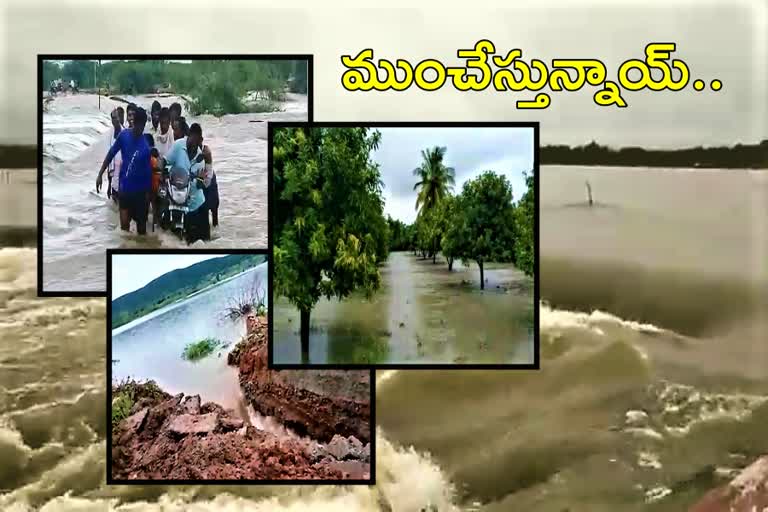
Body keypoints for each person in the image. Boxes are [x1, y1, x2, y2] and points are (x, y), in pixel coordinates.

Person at [96, 107, 152, 235]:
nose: (140, 129)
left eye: (142, 126)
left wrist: (148, 197)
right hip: (125, 190)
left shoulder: (146, 146)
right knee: (124, 232)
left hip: (140, 193)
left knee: (142, 233)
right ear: (134, 123)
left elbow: (148, 174)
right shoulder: (124, 136)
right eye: (138, 126)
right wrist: (100, 174)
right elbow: (110, 154)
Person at [161, 122, 212, 244]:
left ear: (200, 141)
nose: (192, 146)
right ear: (188, 136)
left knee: (202, 242)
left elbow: (205, 183)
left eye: (196, 144)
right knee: (166, 236)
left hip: (195, 204)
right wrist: (162, 170)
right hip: (176, 198)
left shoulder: (202, 157)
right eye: (191, 142)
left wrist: (202, 177)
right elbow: (165, 160)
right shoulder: (178, 146)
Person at [106, 108, 124, 203]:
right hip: (114, 181)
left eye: (117, 117)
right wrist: (109, 186)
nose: (115, 120)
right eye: (113, 118)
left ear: (120, 118)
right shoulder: (110, 136)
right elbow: (109, 162)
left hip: (124, 182)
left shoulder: (125, 134)